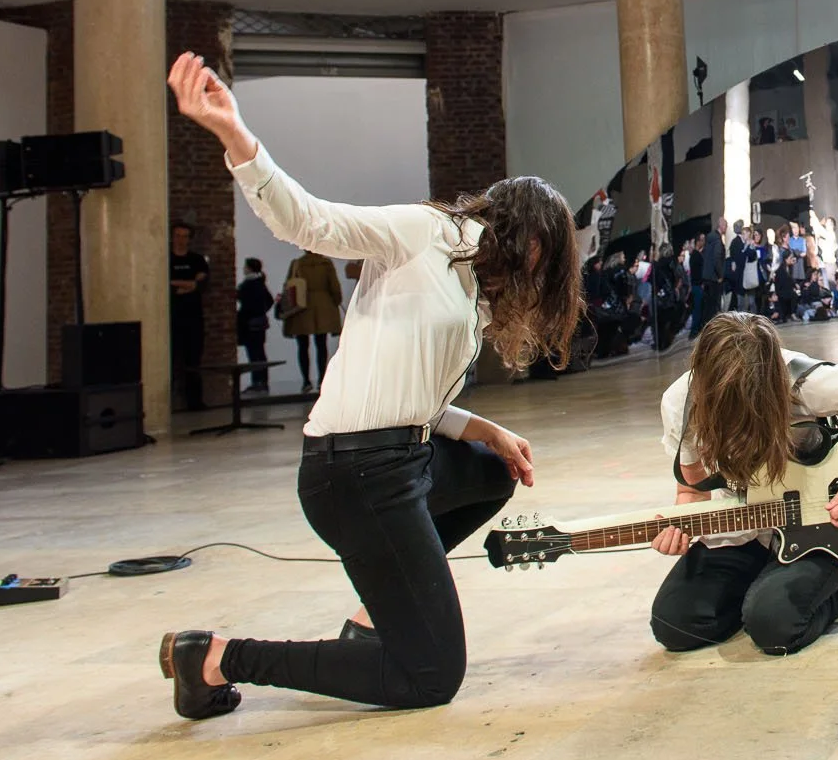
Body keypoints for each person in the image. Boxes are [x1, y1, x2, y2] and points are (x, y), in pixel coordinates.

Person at [157, 52, 580, 720]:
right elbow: (310, 221)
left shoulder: (473, 291)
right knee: (430, 675)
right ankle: (216, 655)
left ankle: (375, 612)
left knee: (490, 473)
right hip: (354, 472)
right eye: (546, 259)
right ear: (528, 238)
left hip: (403, 459)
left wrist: (486, 429)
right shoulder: (425, 233)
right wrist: (234, 134)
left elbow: (418, 401)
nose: (539, 275)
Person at [648, 313, 838, 656]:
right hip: (748, 528)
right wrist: (681, 525)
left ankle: (835, 577)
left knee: (775, 628)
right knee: (674, 625)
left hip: (824, 527)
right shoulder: (681, 402)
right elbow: (692, 492)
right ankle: (766, 585)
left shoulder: (803, 381)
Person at [282, 248, 344, 392]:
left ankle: (306, 381)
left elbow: (289, 284)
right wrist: (336, 301)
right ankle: (322, 380)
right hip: (323, 307)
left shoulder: (297, 264)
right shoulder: (326, 264)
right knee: (321, 345)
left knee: (303, 346)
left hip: (302, 306)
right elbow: (334, 287)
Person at [169, 222, 210, 410]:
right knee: (168, 362)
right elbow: (164, 283)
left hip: (193, 318)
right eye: (178, 235)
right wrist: (190, 284)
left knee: (193, 361)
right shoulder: (165, 259)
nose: (181, 240)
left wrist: (182, 285)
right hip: (170, 318)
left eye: (185, 236)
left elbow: (201, 284)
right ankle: (166, 403)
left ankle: (195, 402)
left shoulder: (197, 260)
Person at [236, 258, 275, 393]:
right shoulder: (260, 284)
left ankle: (257, 382)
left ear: (249, 268)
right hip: (260, 322)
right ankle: (262, 382)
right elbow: (270, 301)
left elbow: (244, 302)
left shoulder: (248, 285)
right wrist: (261, 311)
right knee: (260, 353)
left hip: (250, 323)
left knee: (254, 354)